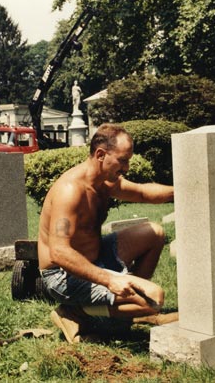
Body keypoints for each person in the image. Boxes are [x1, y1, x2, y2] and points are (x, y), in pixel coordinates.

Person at [38, 123, 175, 343]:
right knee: (154, 297)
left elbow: (142, 192)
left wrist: (183, 191)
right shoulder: (71, 191)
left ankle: (123, 310)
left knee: (154, 233)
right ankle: (75, 312)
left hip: (96, 257)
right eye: (122, 160)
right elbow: (59, 252)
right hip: (63, 275)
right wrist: (109, 280)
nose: (127, 167)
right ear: (101, 154)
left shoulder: (105, 182)